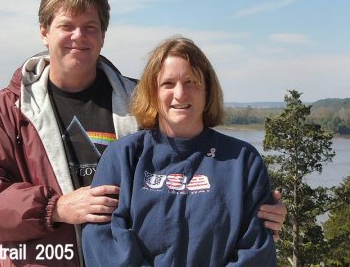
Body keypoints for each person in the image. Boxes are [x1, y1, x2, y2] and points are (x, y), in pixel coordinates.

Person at [0, 0, 284, 267]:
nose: (78, 36)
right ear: (44, 32)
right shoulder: (6, 110)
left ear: (103, 35)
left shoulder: (142, 102)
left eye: (90, 27)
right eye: (66, 26)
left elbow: (188, 182)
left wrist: (256, 212)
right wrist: (54, 207)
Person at [82, 37, 277, 266]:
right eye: (168, 84)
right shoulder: (123, 157)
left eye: (191, 82)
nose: (180, 94)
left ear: (208, 91)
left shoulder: (243, 161)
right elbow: (102, 242)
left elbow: (256, 251)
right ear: (152, 92)